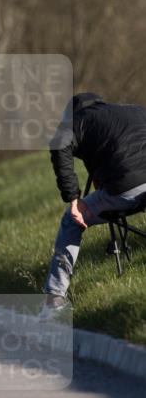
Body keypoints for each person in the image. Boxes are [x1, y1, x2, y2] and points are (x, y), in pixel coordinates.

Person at [43, 92, 146, 312]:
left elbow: (59, 144)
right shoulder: (134, 109)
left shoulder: (79, 121)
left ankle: (54, 300)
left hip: (125, 190)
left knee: (72, 221)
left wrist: (73, 199)